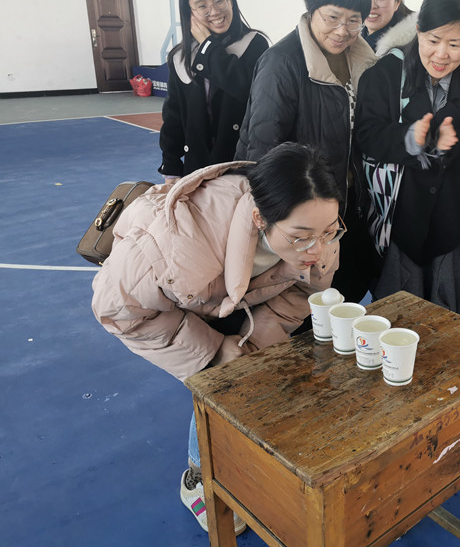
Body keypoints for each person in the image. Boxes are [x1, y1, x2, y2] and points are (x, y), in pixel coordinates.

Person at [91, 143, 344, 535]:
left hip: (234, 297)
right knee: (216, 381)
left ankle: (242, 461)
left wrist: (254, 344)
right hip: (172, 298)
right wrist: (211, 354)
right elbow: (116, 311)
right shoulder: (179, 248)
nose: (320, 250)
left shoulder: (316, 229)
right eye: (302, 238)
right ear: (261, 219)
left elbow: (303, 294)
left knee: (249, 375)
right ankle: (197, 477)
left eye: (330, 232)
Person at [355, 0, 460, 321]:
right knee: (396, 322)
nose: (441, 54)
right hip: (397, 222)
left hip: (453, 226)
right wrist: (409, 138)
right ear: (417, 30)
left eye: (455, 44)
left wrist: (455, 146)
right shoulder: (386, 74)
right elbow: (367, 133)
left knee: (451, 326)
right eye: (432, 40)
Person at [235, 0, 376, 304]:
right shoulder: (281, 63)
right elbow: (261, 153)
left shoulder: (365, 62)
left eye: (353, 20)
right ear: (312, 9)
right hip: (301, 215)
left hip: (346, 207)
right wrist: (284, 229)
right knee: (302, 308)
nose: (342, 30)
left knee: (349, 291)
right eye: (333, 17)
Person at [158, 0, 268, 180]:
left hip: (243, 169)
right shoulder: (180, 57)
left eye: (220, 0)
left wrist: (208, 47)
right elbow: (174, 118)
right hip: (197, 171)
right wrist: (170, 166)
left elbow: (244, 88)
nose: (215, 11)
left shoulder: (255, 44)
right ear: (189, 12)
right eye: (202, 6)